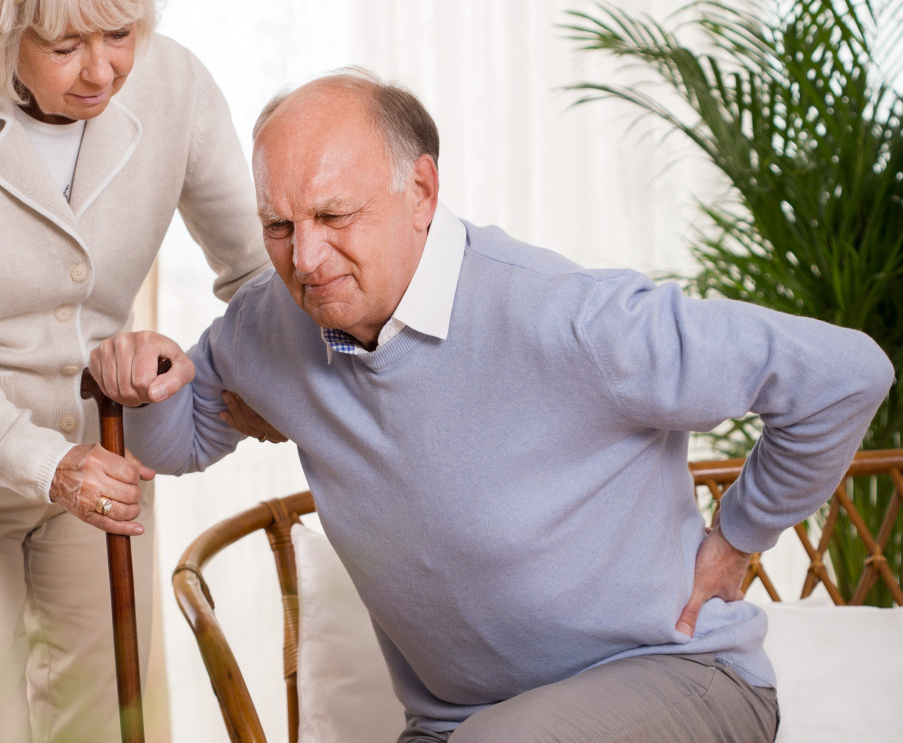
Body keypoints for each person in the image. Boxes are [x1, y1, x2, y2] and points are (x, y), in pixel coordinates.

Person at [90, 69, 895, 742]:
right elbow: (183, 437)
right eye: (278, 225)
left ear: (422, 191)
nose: (304, 257)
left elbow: (843, 373)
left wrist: (741, 532)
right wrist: (148, 378)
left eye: (335, 216)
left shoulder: (570, 318)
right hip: (456, 722)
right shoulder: (280, 319)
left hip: (678, 678)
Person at [0, 0, 277, 740]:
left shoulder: (174, 86)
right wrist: (50, 465)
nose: (102, 69)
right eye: (65, 44)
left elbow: (254, 269)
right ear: (2, 36)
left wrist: (270, 389)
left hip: (100, 449)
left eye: (120, 34)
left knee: (105, 724)